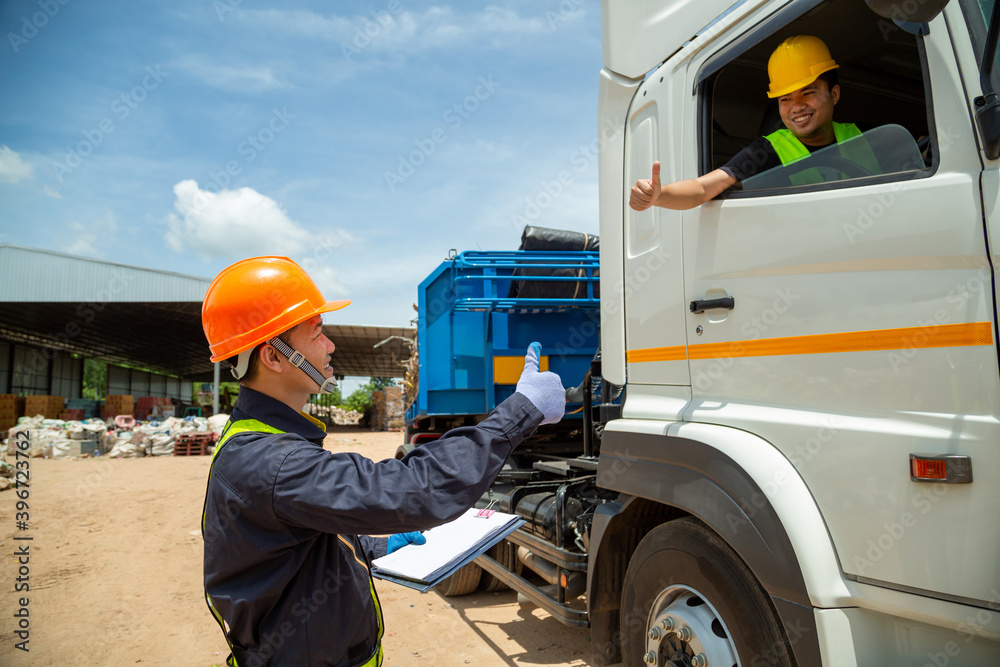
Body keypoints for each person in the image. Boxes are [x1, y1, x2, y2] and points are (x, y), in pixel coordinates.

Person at [199, 256, 566, 667]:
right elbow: (411, 489)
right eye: (317, 332)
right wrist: (520, 411)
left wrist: (370, 544)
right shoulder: (272, 460)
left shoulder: (263, 440)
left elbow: (292, 540)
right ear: (273, 357)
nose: (331, 345)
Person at [630, 35, 878, 211]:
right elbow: (703, 188)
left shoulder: (869, 135)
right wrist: (659, 196)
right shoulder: (766, 151)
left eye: (808, 92)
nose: (796, 106)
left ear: (833, 94)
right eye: (785, 98)